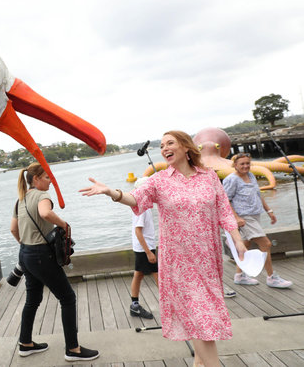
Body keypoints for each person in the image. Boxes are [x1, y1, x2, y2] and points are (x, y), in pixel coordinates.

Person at [79, 130, 247, 367]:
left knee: (203, 323)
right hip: (179, 265)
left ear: (186, 147)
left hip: (208, 261)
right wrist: (112, 193)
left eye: (170, 143)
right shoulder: (158, 181)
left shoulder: (209, 177)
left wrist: (237, 239)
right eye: (162, 145)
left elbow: (224, 211)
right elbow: (134, 199)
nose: (164, 148)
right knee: (201, 321)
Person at [10, 162, 100, 362]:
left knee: (32, 299)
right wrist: (64, 224)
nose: (51, 181)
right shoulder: (43, 196)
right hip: (41, 256)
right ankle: (73, 349)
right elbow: (45, 213)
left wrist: (27, 247)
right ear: (36, 179)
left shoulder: (21, 200)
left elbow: (13, 230)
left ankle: (25, 343)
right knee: (67, 298)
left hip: (25, 254)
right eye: (47, 178)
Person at [223, 153, 293, 288]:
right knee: (266, 244)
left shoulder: (251, 176)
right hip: (245, 218)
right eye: (242, 164)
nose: (245, 166)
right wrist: (236, 218)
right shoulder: (232, 179)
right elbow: (225, 200)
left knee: (246, 245)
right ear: (235, 165)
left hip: (255, 215)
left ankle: (239, 275)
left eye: (247, 163)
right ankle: (271, 277)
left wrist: (269, 211)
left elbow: (258, 195)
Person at [128, 177, 158, 319]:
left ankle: (134, 306)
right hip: (145, 248)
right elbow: (138, 231)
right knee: (159, 277)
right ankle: (173, 307)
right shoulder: (142, 209)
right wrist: (148, 252)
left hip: (143, 247)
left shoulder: (142, 206)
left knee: (138, 275)